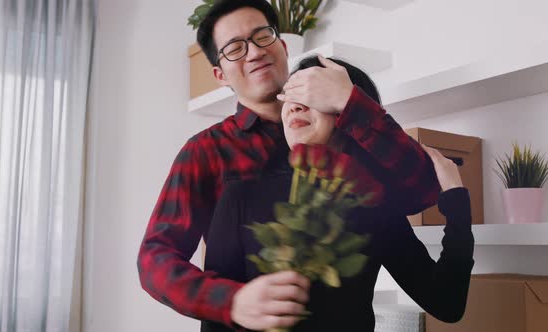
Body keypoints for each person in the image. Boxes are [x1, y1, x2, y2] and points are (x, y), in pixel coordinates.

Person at [137, 0, 440, 330]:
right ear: (219, 75)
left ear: (282, 45)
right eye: (235, 48)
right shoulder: (207, 151)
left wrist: (351, 101)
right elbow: (155, 259)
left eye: (262, 36)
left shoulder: (337, 129)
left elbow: (420, 193)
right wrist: (231, 301)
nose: (254, 52)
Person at [202, 56, 475, 332]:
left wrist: (457, 205)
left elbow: (446, 303)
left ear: (347, 112)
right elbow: (216, 320)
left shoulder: (373, 202)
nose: (294, 105)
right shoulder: (241, 193)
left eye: (311, 95)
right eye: (290, 94)